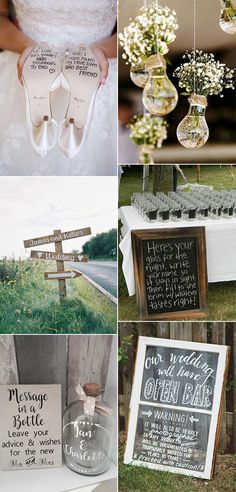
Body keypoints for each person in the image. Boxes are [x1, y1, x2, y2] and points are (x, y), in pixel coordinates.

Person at [0, 0, 117, 176]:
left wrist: (102, 49)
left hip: (97, 66)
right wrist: (26, 46)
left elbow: (136, 31)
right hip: (28, 63)